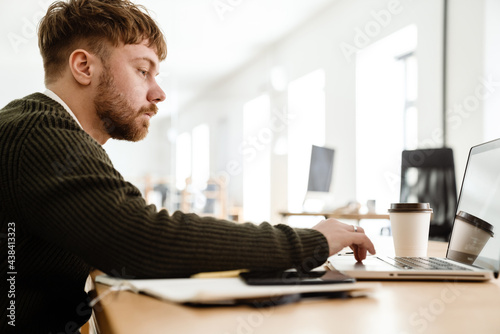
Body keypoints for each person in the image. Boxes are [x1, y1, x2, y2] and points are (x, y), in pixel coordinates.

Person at [0, 0, 376, 332]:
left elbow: (119, 236)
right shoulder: (38, 133)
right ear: (84, 66)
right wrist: (311, 242)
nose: (159, 93)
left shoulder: (41, 128)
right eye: (143, 70)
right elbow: (143, 238)